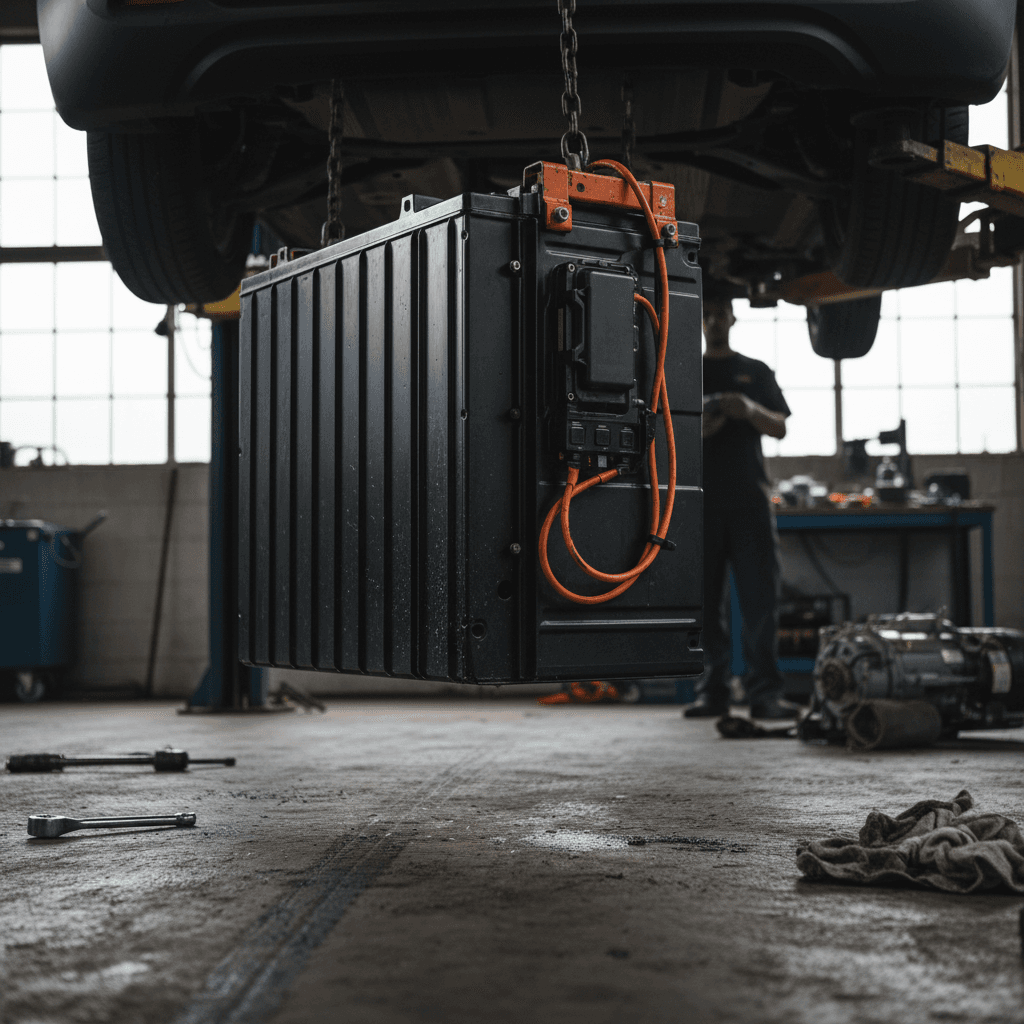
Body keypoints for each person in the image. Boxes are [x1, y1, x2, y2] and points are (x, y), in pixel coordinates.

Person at [685, 297, 795, 720]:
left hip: (750, 500)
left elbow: (780, 425)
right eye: (708, 315)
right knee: (703, 603)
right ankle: (712, 692)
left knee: (759, 600)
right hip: (700, 503)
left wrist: (748, 410)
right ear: (701, 319)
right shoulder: (685, 368)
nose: (714, 321)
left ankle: (764, 693)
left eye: (720, 314)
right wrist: (701, 430)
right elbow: (663, 431)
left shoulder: (756, 370)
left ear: (732, 317)